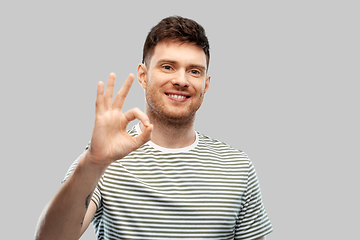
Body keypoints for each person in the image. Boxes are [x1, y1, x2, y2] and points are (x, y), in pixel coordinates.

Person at [35, 16, 273, 240]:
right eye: (168, 67)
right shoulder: (103, 159)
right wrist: (94, 162)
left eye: (194, 71)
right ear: (143, 75)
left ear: (206, 84)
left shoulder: (238, 166)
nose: (182, 80)